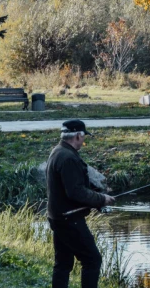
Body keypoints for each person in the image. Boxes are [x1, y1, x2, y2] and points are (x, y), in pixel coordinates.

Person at [46, 119, 115, 288]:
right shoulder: (68, 157)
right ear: (78, 135)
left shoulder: (58, 151)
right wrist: (102, 199)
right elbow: (75, 192)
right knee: (92, 260)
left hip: (58, 217)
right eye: (84, 137)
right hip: (70, 220)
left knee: (63, 264)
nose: (84, 140)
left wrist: (97, 195)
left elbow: (74, 185)